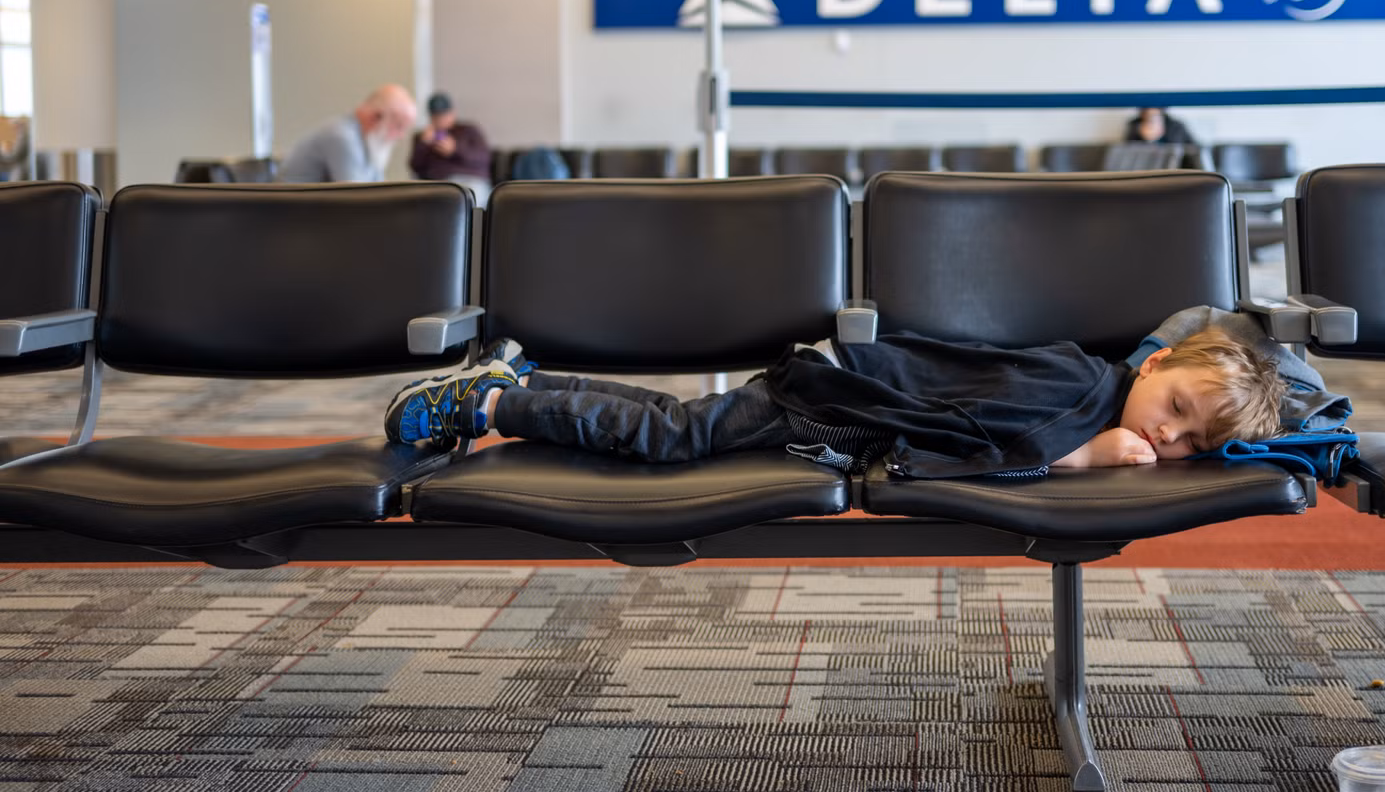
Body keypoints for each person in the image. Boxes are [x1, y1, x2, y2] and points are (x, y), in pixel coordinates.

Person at [382, 322, 1291, 478]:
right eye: (1174, 404)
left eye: (1187, 444)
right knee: (674, 440)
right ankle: (491, 407)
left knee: (674, 418)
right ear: (1155, 360)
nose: (1163, 434)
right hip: (833, 398)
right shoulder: (1077, 395)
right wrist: (1079, 458)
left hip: (840, 386)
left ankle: (524, 380)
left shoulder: (1091, 386)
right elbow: (971, 448)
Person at [278, 84, 418, 183]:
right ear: (375, 117)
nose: (400, 136)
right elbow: (356, 200)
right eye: (399, 126)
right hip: (295, 219)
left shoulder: (367, 142)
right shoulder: (342, 138)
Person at [409, 91, 494, 205]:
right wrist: (424, 144)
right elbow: (415, 167)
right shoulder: (423, 137)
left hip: (469, 181)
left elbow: (483, 158)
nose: (440, 119)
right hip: (436, 185)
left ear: (452, 113)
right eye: (436, 116)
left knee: (469, 198)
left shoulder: (468, 130)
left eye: (444, 114)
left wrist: (455, 150)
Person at [1124, 106, 1195, 145]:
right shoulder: (1134, 126)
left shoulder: (1176, 126)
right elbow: (1127, 153)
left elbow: (1193, 150)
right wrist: (1144, 139)